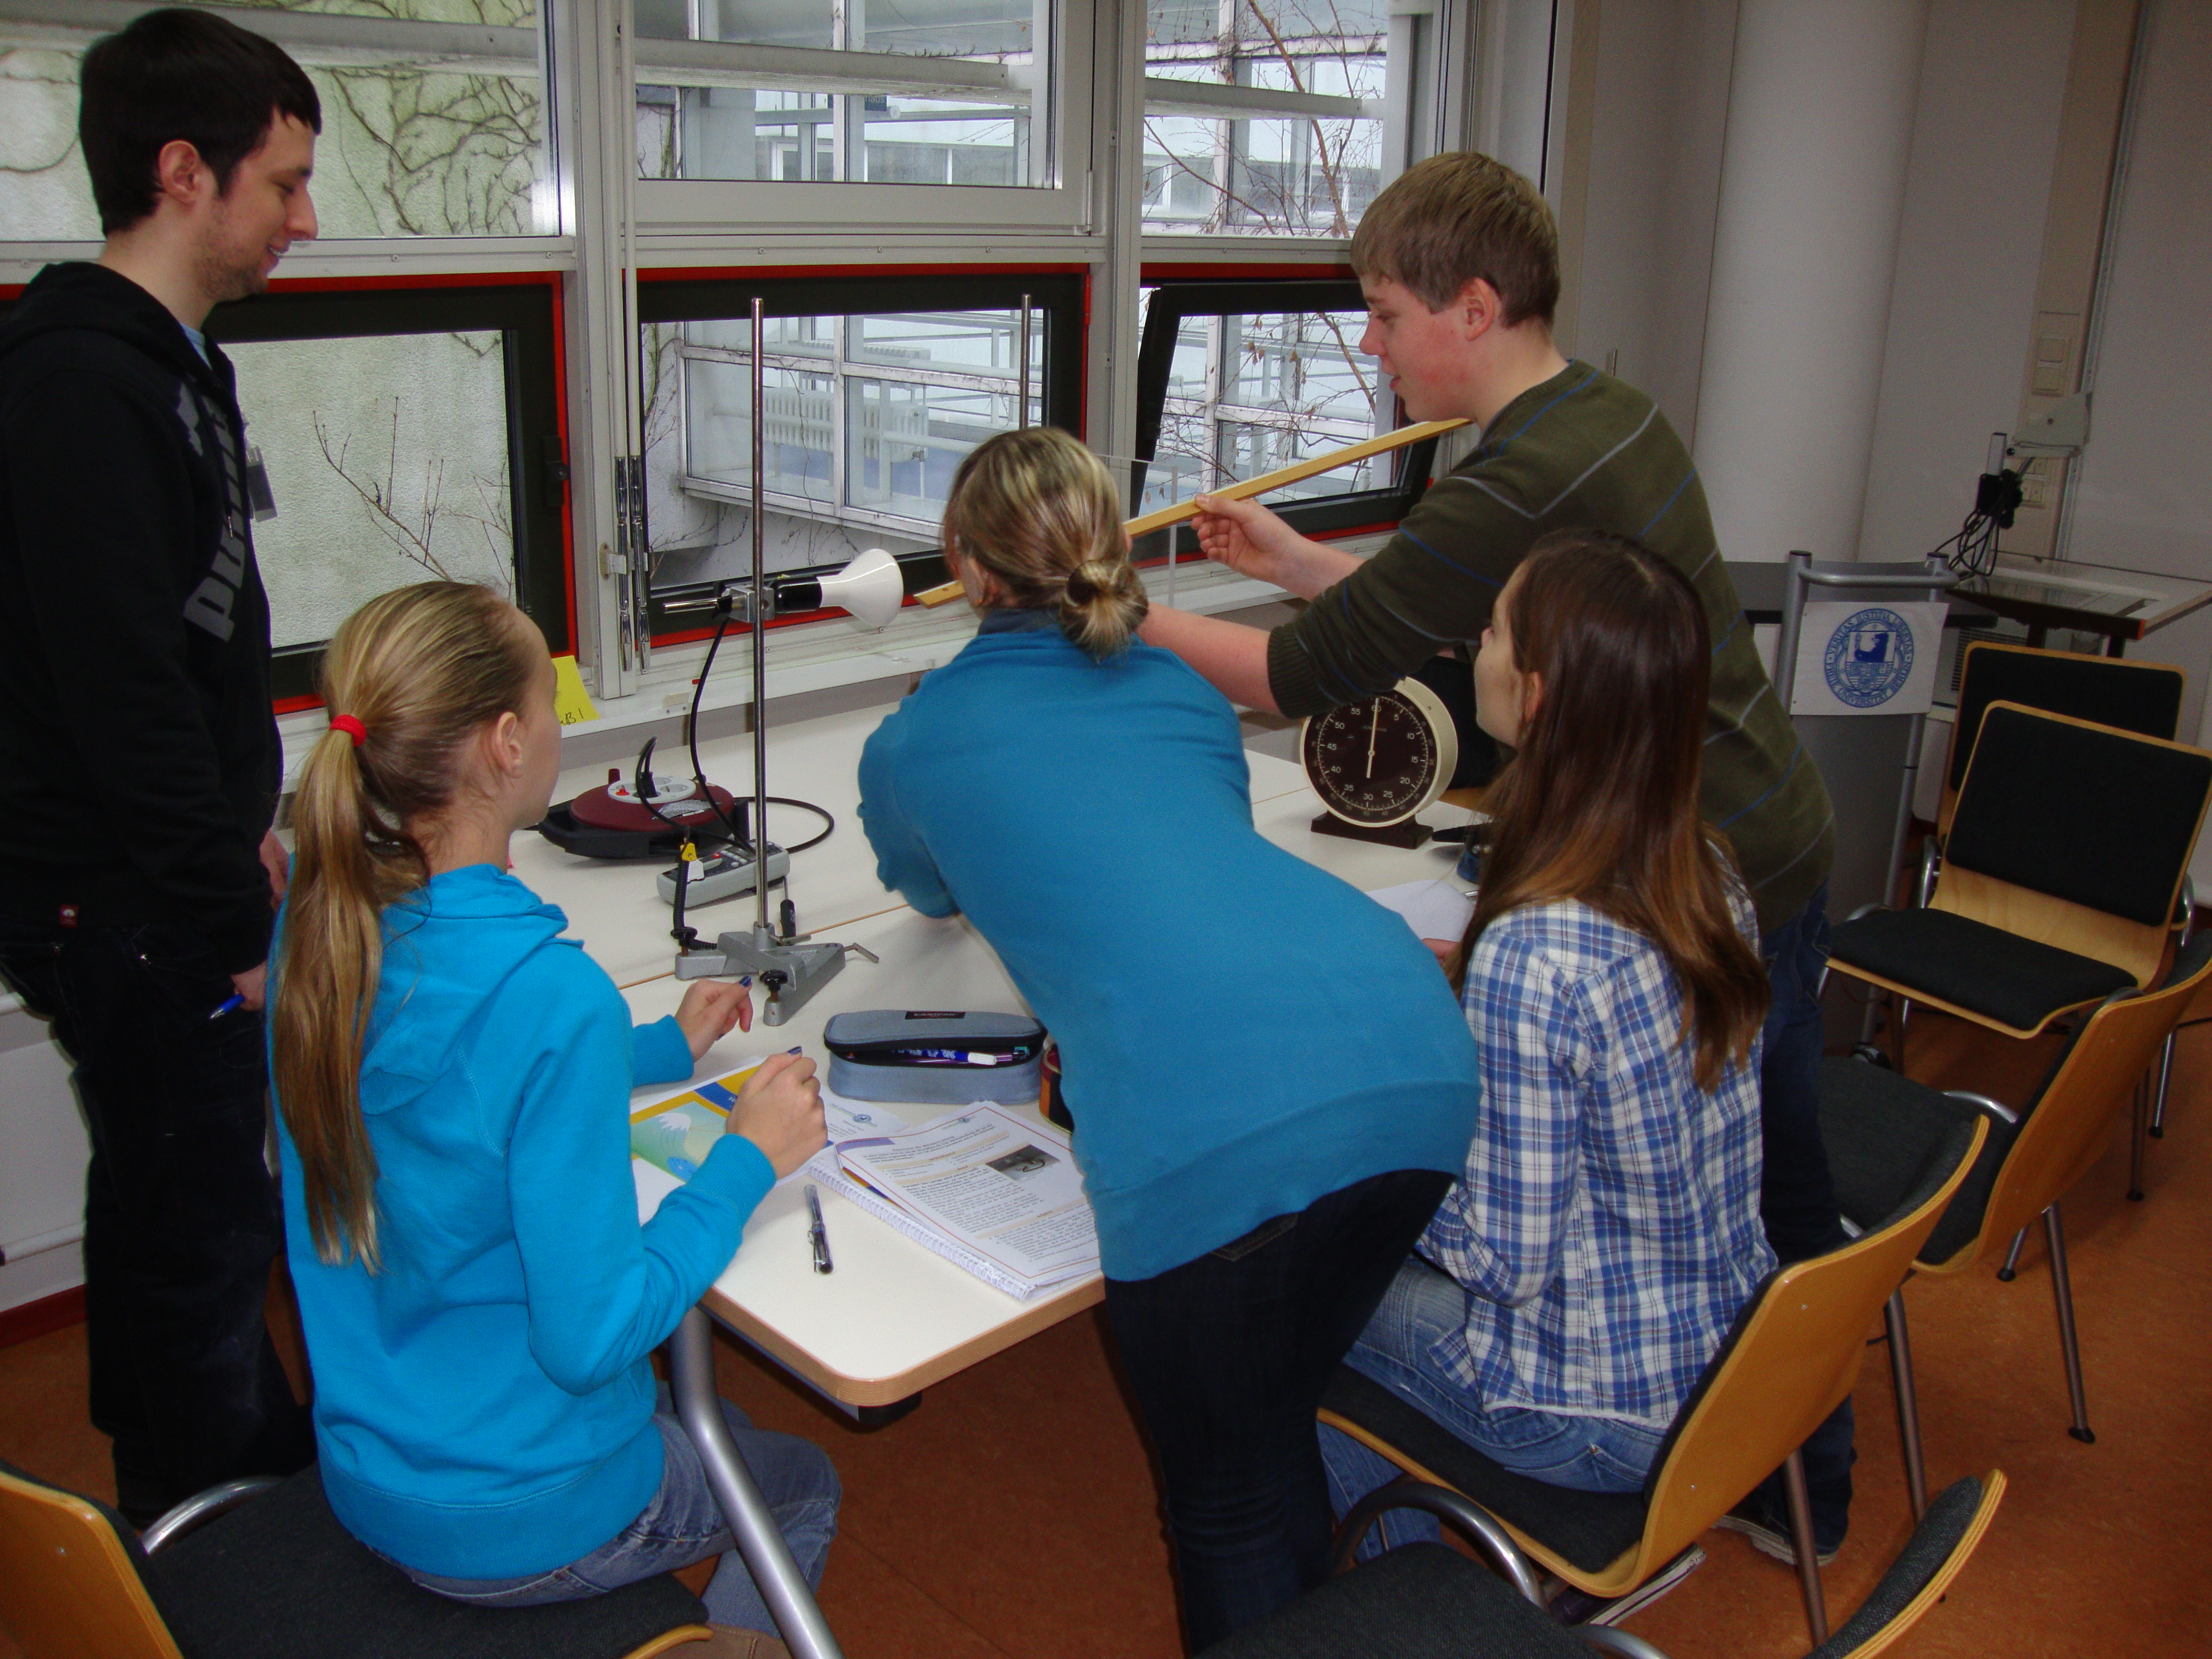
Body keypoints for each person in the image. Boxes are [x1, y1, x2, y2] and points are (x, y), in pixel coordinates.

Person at [1138, 150, 1853, 1557]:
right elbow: (1466, 622)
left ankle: (1723, 1489)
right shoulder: (1595, 419)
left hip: (1700, 855)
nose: (1372, 342)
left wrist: (1097, 608)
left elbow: (1310, 680)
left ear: (1472, 308)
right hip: (1740, 833)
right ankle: (1781, 1486)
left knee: (1769, 1194)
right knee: (1750, 1200)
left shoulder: (1517, 476)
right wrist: (1295, 563)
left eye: (1388, 313)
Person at [856, 426, 1480, 1652]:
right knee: (1269, 1419)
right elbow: (1184, 863)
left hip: (1215, 1129)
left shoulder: (917, 740)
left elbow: (926, 892)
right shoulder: (1182, 690)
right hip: (1412, 1065)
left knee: (1224, 1496)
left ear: (966, 570)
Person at [269, 582, 838, 1645]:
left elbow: (464, 1081)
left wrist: (658, 1050)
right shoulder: (546, 996)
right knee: (797, 1480)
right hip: (523, 1517)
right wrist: (746, 1161)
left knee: (706, 1422)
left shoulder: (320, 934)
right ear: (502, 743)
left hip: (371, 1466)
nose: (560, 727)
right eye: (550, 701)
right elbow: (592, 1340)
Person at [0, 7, 324, 1525]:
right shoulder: (79, 386)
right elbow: (118, 693)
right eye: (282, 185)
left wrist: (241, 828)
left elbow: (189, 647)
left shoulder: (171, 360)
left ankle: (162, 1473)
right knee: (203, 1217)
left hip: (166, 870)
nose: (302, 222)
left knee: (156, 1194)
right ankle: (218, 1535)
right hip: (123, 901)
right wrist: (225, 916)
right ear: (184, 171)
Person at [1318, 531, 1778, 1594]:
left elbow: (1501, 1260)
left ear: (1533, 694)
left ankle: (1415, 1613)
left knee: (1291, 1299)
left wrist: (1370, 1140)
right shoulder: (1706, 872)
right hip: (1726, 1363)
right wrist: (1475, 984)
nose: (1473, 642)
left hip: (1590, 1411)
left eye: (1492, 629)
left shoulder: (1540, 952)